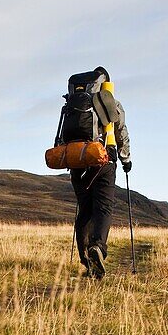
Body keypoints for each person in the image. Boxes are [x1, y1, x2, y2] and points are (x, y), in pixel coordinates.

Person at [68, 67, 131, 279]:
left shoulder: (73, 103)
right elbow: (120, 131)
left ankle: (86, 260)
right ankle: (97, 247)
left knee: (85, 210)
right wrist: (126, 159)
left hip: (77, 160)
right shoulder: (110, 102)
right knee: (103, 208)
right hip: (103, 159)